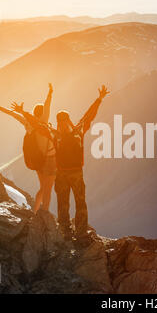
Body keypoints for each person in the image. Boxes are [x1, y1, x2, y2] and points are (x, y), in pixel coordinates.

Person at [0, 83, 56, 213]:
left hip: (38, 160)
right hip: (50, 159)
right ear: (41, 114)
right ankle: (45, 214)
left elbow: (13, 114)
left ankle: (35, 212)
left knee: (42, 187)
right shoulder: (43, 122)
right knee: (48, 188)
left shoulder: (28, 123)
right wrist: (50, 93)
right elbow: (47, 106)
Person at [53, 85, 110, 239]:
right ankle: (75, 231)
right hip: (72, 173)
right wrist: (99, 99)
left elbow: (89, 114)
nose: (63, 124)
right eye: (62, 121)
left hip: (67, 173)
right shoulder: (76, 131)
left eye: (62, 121)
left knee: (68, 203)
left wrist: (99, 99)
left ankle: (71, 231)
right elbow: (89, 115)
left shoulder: (59, 133)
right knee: (74, 202)